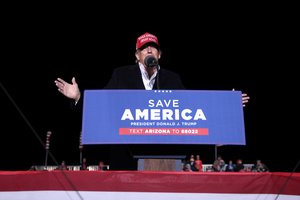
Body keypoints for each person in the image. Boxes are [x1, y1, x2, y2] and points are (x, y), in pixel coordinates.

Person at [54, 32, 250, 170]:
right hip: (126, 159)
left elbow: (193, 112)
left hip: (166, 159)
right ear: (137, 55)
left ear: (159, 55)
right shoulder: (121, 75)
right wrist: (79, 97)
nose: (149, 50)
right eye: (144, 48)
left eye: (153, 48)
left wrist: (228, 106)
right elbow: (103, 106)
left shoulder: (172, 79)